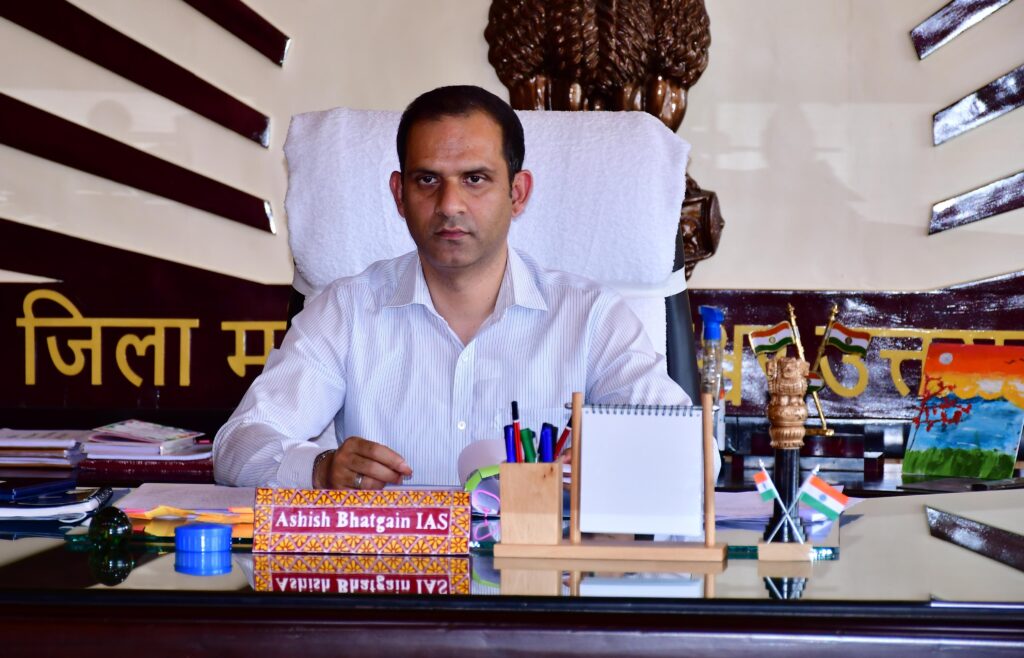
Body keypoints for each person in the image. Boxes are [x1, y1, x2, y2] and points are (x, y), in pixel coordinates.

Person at [213, 85, 700, 490]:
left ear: (517, 193)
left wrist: (610, 457)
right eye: (428, 180)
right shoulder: (347, 310)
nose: (450, 204)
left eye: (475, 179)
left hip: (539, 573)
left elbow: (693, 454)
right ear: (399, 195)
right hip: (390, 574)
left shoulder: (589, 317)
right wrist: (320, 470)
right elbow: (238, 446)